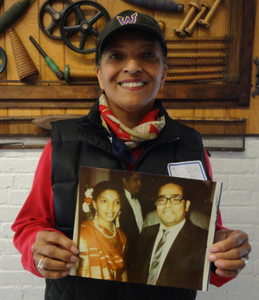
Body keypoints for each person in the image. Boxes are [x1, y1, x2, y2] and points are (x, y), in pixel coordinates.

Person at [11, 9, 251, 300]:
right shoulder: (63, 142)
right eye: (116, 56)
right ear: (100, 75)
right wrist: (35, 249)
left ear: (164, 73)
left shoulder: (190, 145)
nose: (133, 66)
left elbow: (211, 238)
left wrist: (225, 252)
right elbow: (28, 225)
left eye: (148, 55)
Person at [134, 180, 208, 290]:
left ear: (186, 205)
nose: (167, 205)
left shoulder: (203, 240)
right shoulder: (146, 233)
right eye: (162, 199)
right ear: (156, 204)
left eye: (176, 199)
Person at [77, 181, 127, 281]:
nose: (111, 208)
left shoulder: (122, 236)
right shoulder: (81, 232)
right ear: (95, 204)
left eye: (116, 202)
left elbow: (123, 272)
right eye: (104, 201)